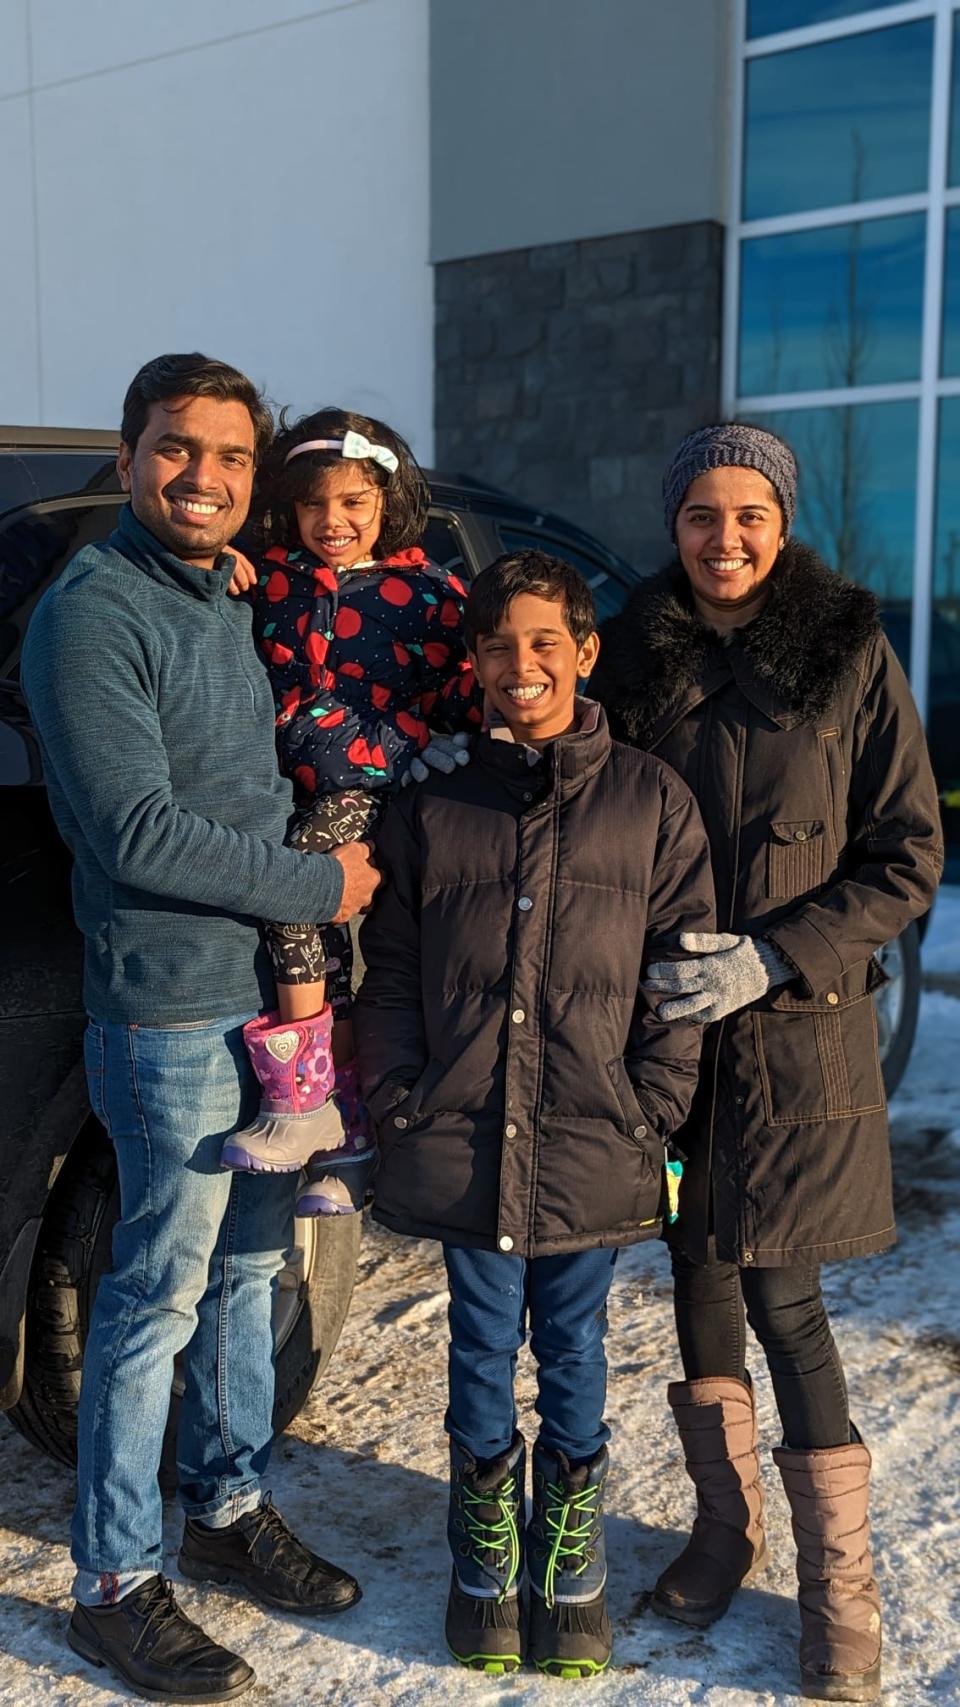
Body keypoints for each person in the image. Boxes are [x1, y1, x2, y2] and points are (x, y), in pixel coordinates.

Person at [21, 354, 380, 1705]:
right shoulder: (93, 613)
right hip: (171, 1006)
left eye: (232, 459)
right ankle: (115, 1577)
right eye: (179, 450)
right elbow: (134, 829)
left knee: (248, 1270)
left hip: (269, 1005)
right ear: (128, 458)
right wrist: (324, 886)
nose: (204, 478)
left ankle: (229, 1506)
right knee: (151, 1293)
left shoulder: (231, 594)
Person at [590, 423, 943, 1704]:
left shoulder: (849, 652)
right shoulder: (627, 654)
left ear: (781, 523)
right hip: (669, 1037)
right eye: (699, 515)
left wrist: (775, 956)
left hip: (796, 1037)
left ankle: (841, 1589)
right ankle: (722, 1529)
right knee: (696, 1271)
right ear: (672, 522)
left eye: (749, 515)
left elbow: (906, 854)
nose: (724, 540)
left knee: (785, 1296)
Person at [354, 550, 715, 1678]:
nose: (523, 665)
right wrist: (400, 1094)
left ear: (585, 651)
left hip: (591, 1133)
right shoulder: (435, 803)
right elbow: (395, 970)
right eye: (500, 645)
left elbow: (678, 969)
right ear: (474, 660)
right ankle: (483, 1550)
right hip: (462, 1127)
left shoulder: (651, 799)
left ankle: (570, 1553)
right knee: (475, 1345)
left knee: (574, 1346)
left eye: (545, 642)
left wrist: (651, 1103)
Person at [220, 406, 481, 1215]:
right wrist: (219, 564)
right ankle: (348, 1135)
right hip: (281, 786)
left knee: (301, 891)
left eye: (353, 503)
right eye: (313, 505)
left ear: (387, 502)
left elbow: (471, 689)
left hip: (373, 793)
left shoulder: (429, 593)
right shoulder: (270, 579)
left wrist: (443, 743)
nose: (332, 522)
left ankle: (303, 1104)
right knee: (323, 960)